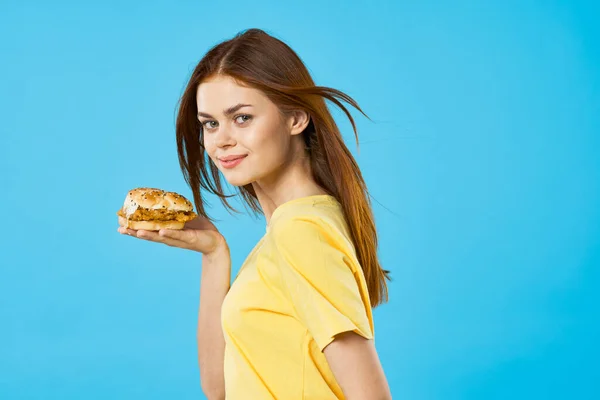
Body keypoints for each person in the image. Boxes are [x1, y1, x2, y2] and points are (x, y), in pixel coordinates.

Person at [118, 28, 392, 400]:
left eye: (242, 117)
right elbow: (220, 389)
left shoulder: (302, 231)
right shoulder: (288, 229)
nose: (221, 140)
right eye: (210, 123)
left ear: (296, 118)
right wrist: (214, 254)